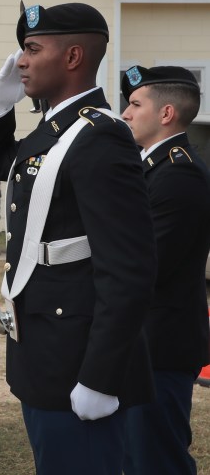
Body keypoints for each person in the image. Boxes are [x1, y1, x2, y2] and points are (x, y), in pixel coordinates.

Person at [0, 3, 156, 474]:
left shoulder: (101, 137)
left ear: (73, 57)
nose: (21, 62)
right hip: (44, 350)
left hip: (78, 358)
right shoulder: (56, 130)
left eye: (32, 49)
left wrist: (100, 378)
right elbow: (3, 166)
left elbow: (128, 270)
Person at [119, 65, 210, 475]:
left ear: (167, 113)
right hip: (140, 341)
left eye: (135, 104)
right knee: (133, 454)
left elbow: (146, 263)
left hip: (159, 345)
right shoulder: (150, 166)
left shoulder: (178, 173)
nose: (125, 112)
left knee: (155, 459)